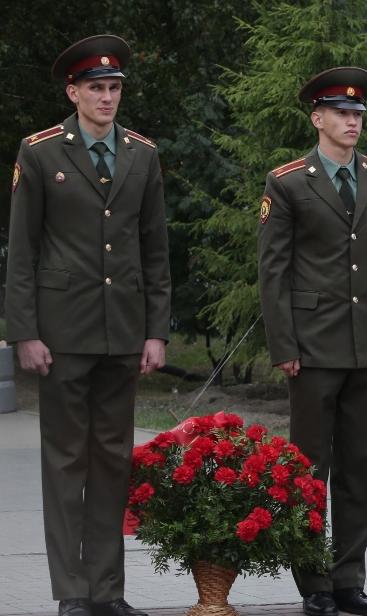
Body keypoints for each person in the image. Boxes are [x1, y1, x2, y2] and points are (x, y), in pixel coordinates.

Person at [10, 34, 168, 616]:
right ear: (74, 92)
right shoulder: (41, 151)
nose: (107, 97)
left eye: (114, 88)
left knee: (112, 460)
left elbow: (155, 249)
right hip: (62, 331)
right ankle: (72, 590)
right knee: (64, 462)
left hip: (122, 330)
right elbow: (21, 250)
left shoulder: (143, 154)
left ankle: (108, 589)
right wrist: (23, 330)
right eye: (96, 88)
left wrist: (157, 330)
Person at [257, 66, 367, 616]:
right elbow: (275, 270)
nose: (352, 122)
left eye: (358, 114)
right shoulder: (289, 181)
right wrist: (284, 345)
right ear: (318, 119)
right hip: (312, 345)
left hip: (365, 344)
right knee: (310, 465)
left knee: (361, 465)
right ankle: (312, 578)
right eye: (342, 113)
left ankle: (349, 578)